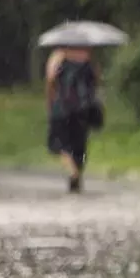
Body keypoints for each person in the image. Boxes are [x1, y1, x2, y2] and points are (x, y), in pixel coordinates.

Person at [45, 47, 102, 193]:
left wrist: (50, 101)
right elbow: (97, 79)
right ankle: (77, 174)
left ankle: (73, 172)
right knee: (79, 144)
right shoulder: (88, 56)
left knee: (59, 144)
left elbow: (51, 78)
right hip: (83, 107)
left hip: (63, 105)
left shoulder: (58, 55)